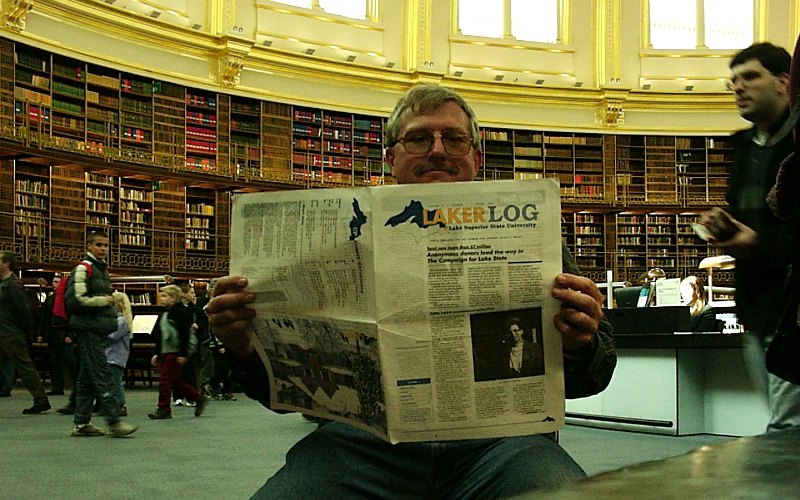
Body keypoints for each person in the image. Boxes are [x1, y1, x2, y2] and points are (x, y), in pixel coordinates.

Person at [205, 84, 617, 498]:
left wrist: (581, 342)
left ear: (475, 156)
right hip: (360, 445)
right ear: (391, 157)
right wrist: (241, 345)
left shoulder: (535, 232)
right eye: (419, 138)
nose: (437, 150)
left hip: (504, 443)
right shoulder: (332, 241)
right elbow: (281, 399)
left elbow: (593, 377)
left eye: (453, 139)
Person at [699, 42, 800, 431]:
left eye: (751, 76)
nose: (739, 86)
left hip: (793, 306)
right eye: (734, 80)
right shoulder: (742, 146)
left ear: (784, 81)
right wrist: (722, 225)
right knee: (781, 419)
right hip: (756, 305)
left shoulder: (795, 143)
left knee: (787, 426)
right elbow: (747, 217)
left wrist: (756, 242)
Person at [68, 232, 138, 437]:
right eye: (98, 245)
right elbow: (78, 299)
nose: (103, 248)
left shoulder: (101, 269)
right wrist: (104, 301)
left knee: (87, 378)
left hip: (96, 328)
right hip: (89, 328)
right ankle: (114, 421)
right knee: (101, 373)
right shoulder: (84, 268)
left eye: (106, 245)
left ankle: (81, 423)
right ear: (89, 246)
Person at [0, 251, 51, 414]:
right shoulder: (4, 284)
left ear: (7, 263)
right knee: (24, 366)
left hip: (12, 333)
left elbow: (24, 311)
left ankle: (41, 399)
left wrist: (28, 332)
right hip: (5, 331)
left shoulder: (13, 285)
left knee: (25, 367)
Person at [147, 284, 207, 419]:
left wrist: (182, 354)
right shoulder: (167, 313)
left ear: (173, 298)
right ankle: (198, 398)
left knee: (165, 381)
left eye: (165, 296)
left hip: (174, 352)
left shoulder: (179, 312)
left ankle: (164, 408)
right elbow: (161, 335)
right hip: (167, 351)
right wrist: (158, 352)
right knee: (175, 381)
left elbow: (184, 334)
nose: (161, 299)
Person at [473, 315, 543, 381]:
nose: (513, 334)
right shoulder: (504, 351)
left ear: (521, 331)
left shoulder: (535, 348)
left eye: (515, 331)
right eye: (510, 332)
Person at [41, 275, 79, 397]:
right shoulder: (50, 299)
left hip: (64, 334)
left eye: (57, 282)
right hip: (53, 335)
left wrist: (71, 335)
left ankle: (78, 385)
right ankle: (57, 386)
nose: (54, 284)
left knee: (70, 361)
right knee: (54, 362)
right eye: (53, 282)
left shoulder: (68, 300)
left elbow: (73, 319)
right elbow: (45, 318)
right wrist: (42, 334)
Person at [106, 292, 132, 417]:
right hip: (111, 355)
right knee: (112, 381)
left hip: (116, 356)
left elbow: (112, 336)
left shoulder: (122, 321)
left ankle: (121, 404)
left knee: (116, 381)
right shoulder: (118, 320)